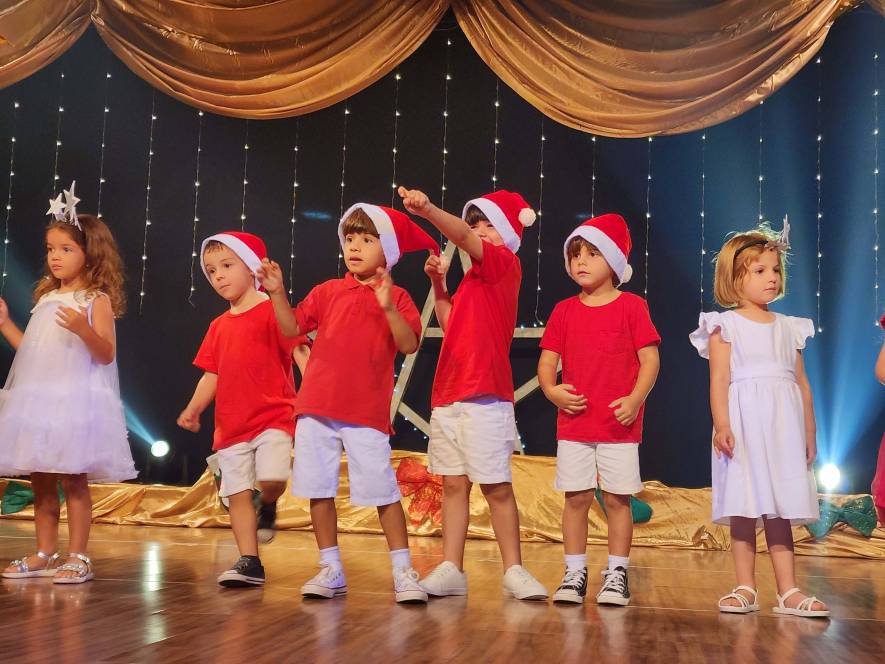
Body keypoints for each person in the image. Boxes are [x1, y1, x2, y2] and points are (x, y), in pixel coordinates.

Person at [259, 203, 437, 603]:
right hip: (316, 407)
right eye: (350, 238)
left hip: (364, 413)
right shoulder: (328, 291)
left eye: (367, 240)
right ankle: (331, 567)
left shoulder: (399, 297)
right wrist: (276, 292)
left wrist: (386, 305)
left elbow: (409, 344)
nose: (354, 247)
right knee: (318, 489)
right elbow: (291, 327)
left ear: (387, 250)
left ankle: (403, 570)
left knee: (383, 491)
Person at [398, 185, 548, 600]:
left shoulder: (503, 265)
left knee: (495, 485)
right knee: (452, 485)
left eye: (490, 226)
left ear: (509, 235)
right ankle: (451, 567)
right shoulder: (471, 281)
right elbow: (451, 325)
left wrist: (428, 210)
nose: (480, 231)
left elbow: (462, 236)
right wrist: (439, 284)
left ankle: (514, 568)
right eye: (477, 224)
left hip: (485, 394)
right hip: (449, 394)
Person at [689, 218, 829, 618]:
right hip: (744, 426)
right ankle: (745, 586)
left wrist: (810, 432)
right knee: (745, 506)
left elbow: (802, 384)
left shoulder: (789, 328)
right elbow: (719, 380)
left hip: (783, 428)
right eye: (760, 270)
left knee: (781, 507)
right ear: (734, 278)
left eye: (775, 270)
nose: (772, 277)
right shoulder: (725, 325)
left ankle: (789, 591)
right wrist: (722, 425)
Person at [0, 184, 136, 583]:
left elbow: (106, 353)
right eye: (50, 249)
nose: (55, 256)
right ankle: (45, 552)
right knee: (40, 478)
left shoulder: (95, 300)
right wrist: (6, 325)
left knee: (73, 479)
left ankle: (78, 556)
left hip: (73, 402)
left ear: (89, 254)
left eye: (66, 249)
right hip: (39, 402)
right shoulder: (45, 299)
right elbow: (31, 352)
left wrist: (83, 329)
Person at [538, 214, 660, 606]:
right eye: (576, 255)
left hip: (617, 426)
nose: (581, 262)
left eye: (592, 254)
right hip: (574, 425)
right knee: (575, 498)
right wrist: (552, 391)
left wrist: (635, 399)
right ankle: (574, 572)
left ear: (613, 259)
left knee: (617, 500)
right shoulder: (563, 310)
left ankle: (617, 573)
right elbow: (547, 362)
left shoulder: (632, 307)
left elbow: (650, 360)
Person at [178, 231, 307, 587]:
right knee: (236, 493)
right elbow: (212, 374)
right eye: (211, 270)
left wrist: (315, 394)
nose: (218, 276)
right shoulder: (218, 326)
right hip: (231, 425)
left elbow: (301, 352)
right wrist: (193, 409)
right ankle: (249, 561)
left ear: (251, 267)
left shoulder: (273, 312)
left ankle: (269, 502)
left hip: (274, 417)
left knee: (272, 479)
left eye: (226, 266)